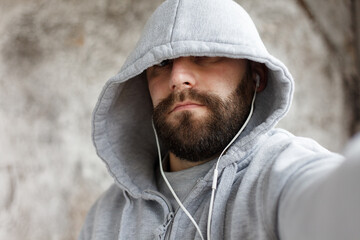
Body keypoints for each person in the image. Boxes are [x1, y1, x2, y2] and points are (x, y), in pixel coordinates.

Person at [79, 0, 360, 239]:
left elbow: (335, 204)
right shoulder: (106, 216)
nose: (177, 78)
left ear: (256, 77)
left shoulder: (278, 175)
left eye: (205, 54)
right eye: (162, 64)